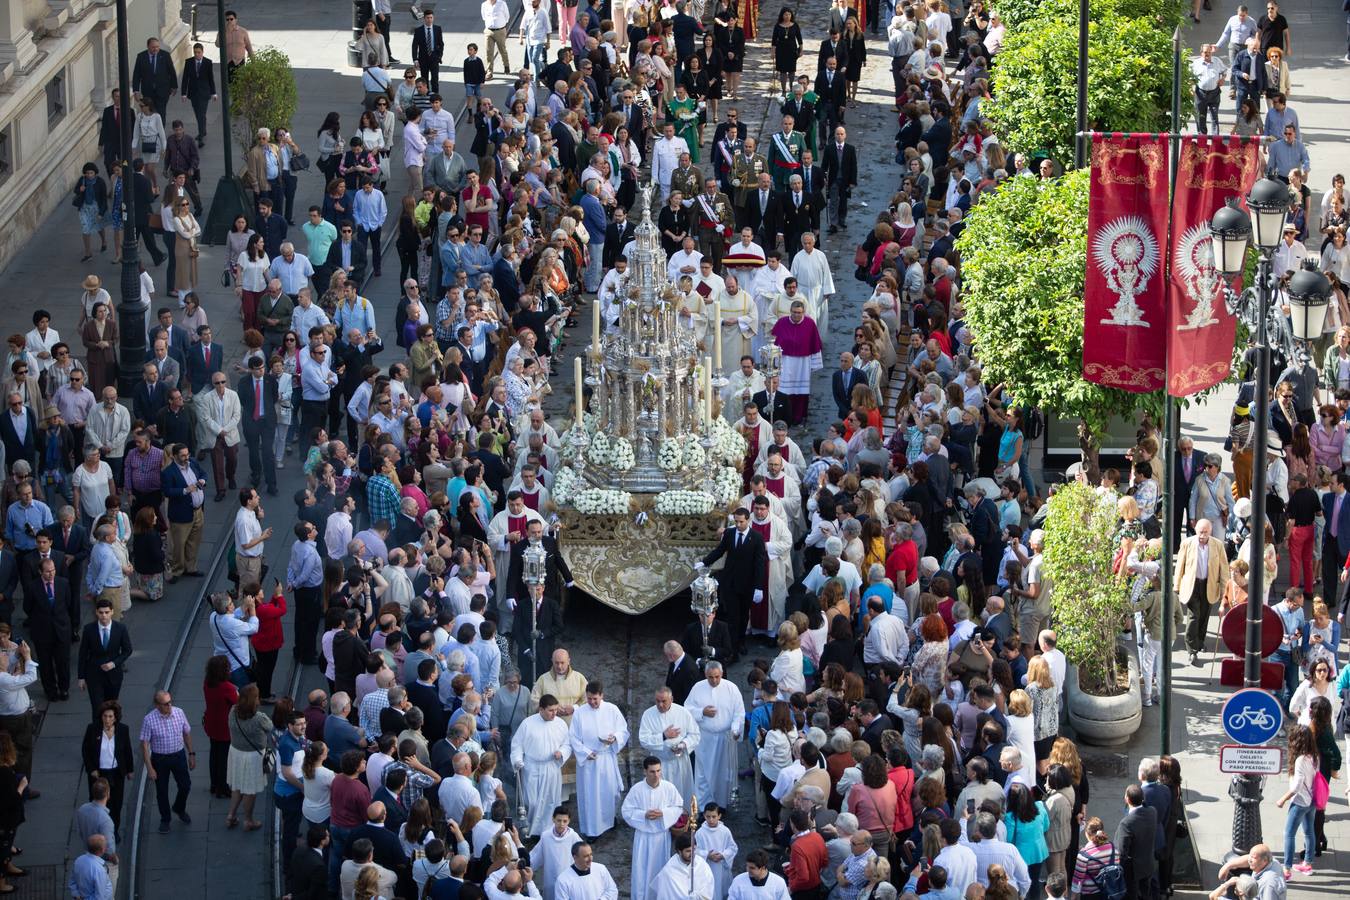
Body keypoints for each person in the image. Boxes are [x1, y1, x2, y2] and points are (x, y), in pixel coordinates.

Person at [569, 680, 628, 839]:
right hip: (589, 761)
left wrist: (614, 738)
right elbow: (573, 737)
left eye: (595, 698)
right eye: (589, 699)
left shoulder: (611, 709)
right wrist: (586, 752)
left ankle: (609, 820)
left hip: (606, 757)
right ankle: (592, 829)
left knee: (609, 791)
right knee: (591, 795)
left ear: (602, 695)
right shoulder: (580, 713)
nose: (592, 702)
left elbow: (623, 730)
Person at [685, 661, 745, 808]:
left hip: (725, 738)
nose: (714, 680)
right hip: (705, 738)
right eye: (710, 677)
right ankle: (703, 806)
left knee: (722, 774)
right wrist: (702, 712)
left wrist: (736, 730)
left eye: (717, 677)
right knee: (703, 774)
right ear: (705, 675)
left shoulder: (731, 689)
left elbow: (739, 713)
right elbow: (687, 709)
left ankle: (720, 805)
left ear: (722, 674)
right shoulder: (698, 688)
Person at [510, 694, 571, 836]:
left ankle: (548, 830)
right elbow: (517, 745)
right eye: (551, 710)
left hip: (551, 767)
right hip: (532, 767)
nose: (554, 713)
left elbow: (567, 744)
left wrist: (561, 752)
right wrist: (518, 760)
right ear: (541, 709)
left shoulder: (560, 724)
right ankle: (531, 830)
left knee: (551, 801)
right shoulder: (527, 724)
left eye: (556, 710)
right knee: (532, 802)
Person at [1174, 518, 1229, 666]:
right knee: (1194, 616)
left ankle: (1199, 642)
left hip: (1209, 585)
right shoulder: (1187, 544)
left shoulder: (1217, 545)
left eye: (1205, 532)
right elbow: (1180, 565)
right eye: (1200, 532)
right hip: (1192, 585)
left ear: (1210, 532)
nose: (1202, 535)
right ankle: (1192, 649)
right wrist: (1176, 586)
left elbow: (1224, 569)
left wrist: (1225, 592)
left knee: (1204, 616)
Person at [139, 690, 195, 834]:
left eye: (170, 702)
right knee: (162, 791)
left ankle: (179, 808)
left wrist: (191, 754)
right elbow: (144, 745)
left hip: (178, 755)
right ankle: (165, 819)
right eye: (165, 704)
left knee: (185, 785)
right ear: (157, 705)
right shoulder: (149, 719)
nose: (169, 706)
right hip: (160, 759)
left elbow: (186, 733)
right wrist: (149, 768)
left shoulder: (179, 713)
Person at [1275, 724, 1317, 875]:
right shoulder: (1314, 756)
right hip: (1312, 800)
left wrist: (1283, 799)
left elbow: (1297, 785)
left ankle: (1286, 869)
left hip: (1300, 802)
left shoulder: (1300, 760)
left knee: (1289, 834)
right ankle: (1307, 864)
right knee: (1309, 831)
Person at [1114, 784, 1157, 900]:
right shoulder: (1152, 812)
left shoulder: (1126, 823)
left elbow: (1121, 852)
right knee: (1146, 894)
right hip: (1147, 864)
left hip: (1133, 871)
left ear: (1127, 799)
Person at [554, 841, 620, 900]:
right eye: (586, 856)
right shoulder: (563, 880)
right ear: (575, 858)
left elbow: (612, 890)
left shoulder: (601, 869)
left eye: (591, 855)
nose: (590, 859)